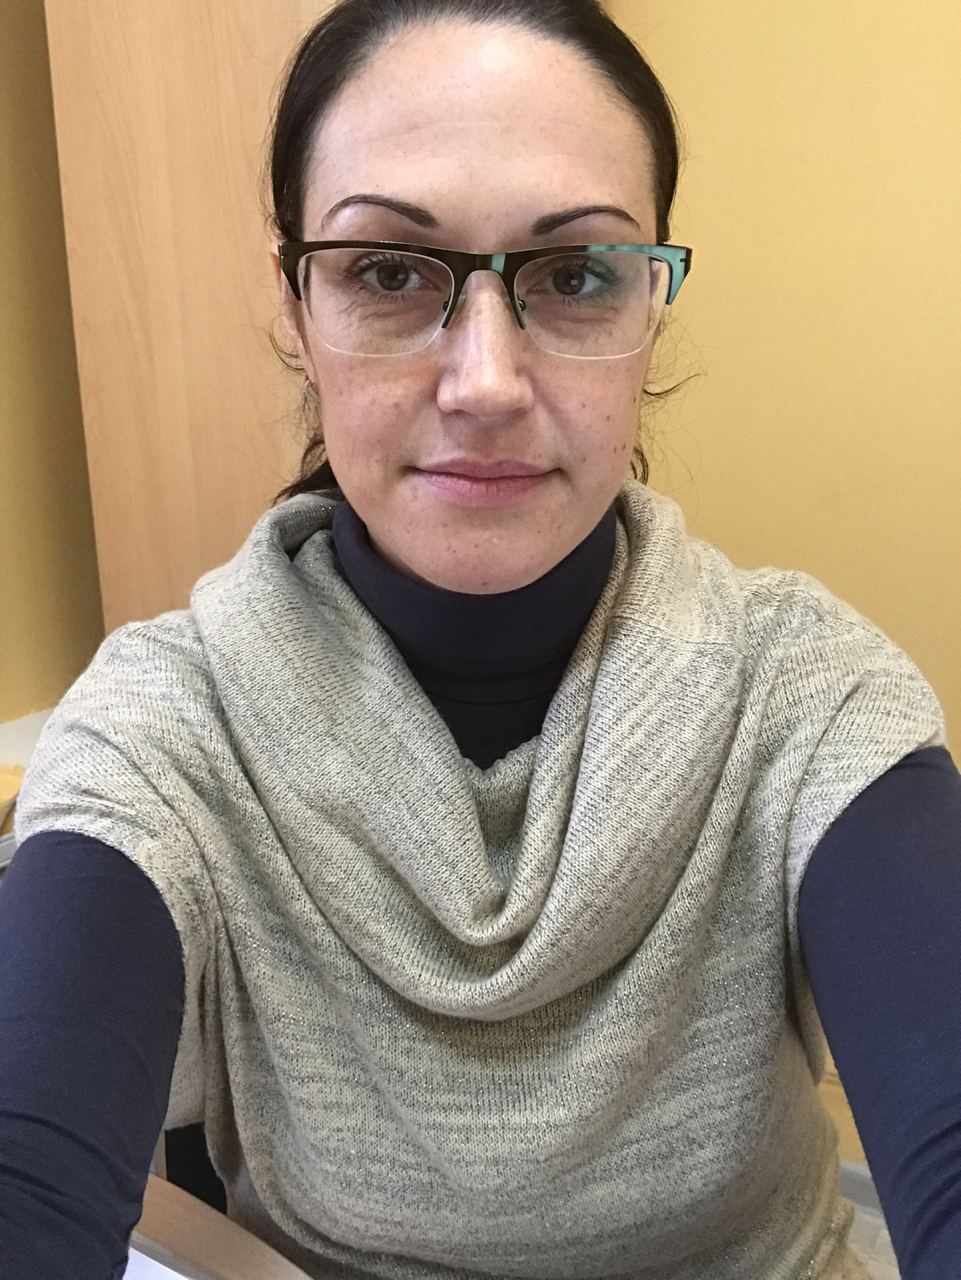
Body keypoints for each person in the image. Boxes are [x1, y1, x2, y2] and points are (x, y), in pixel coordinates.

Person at [0, 1, 959, 1277]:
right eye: (389, 273)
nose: (488, 382)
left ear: (651, 306)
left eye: (574, 275)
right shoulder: (166, 728)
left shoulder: (803, 690)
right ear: (297, 307)